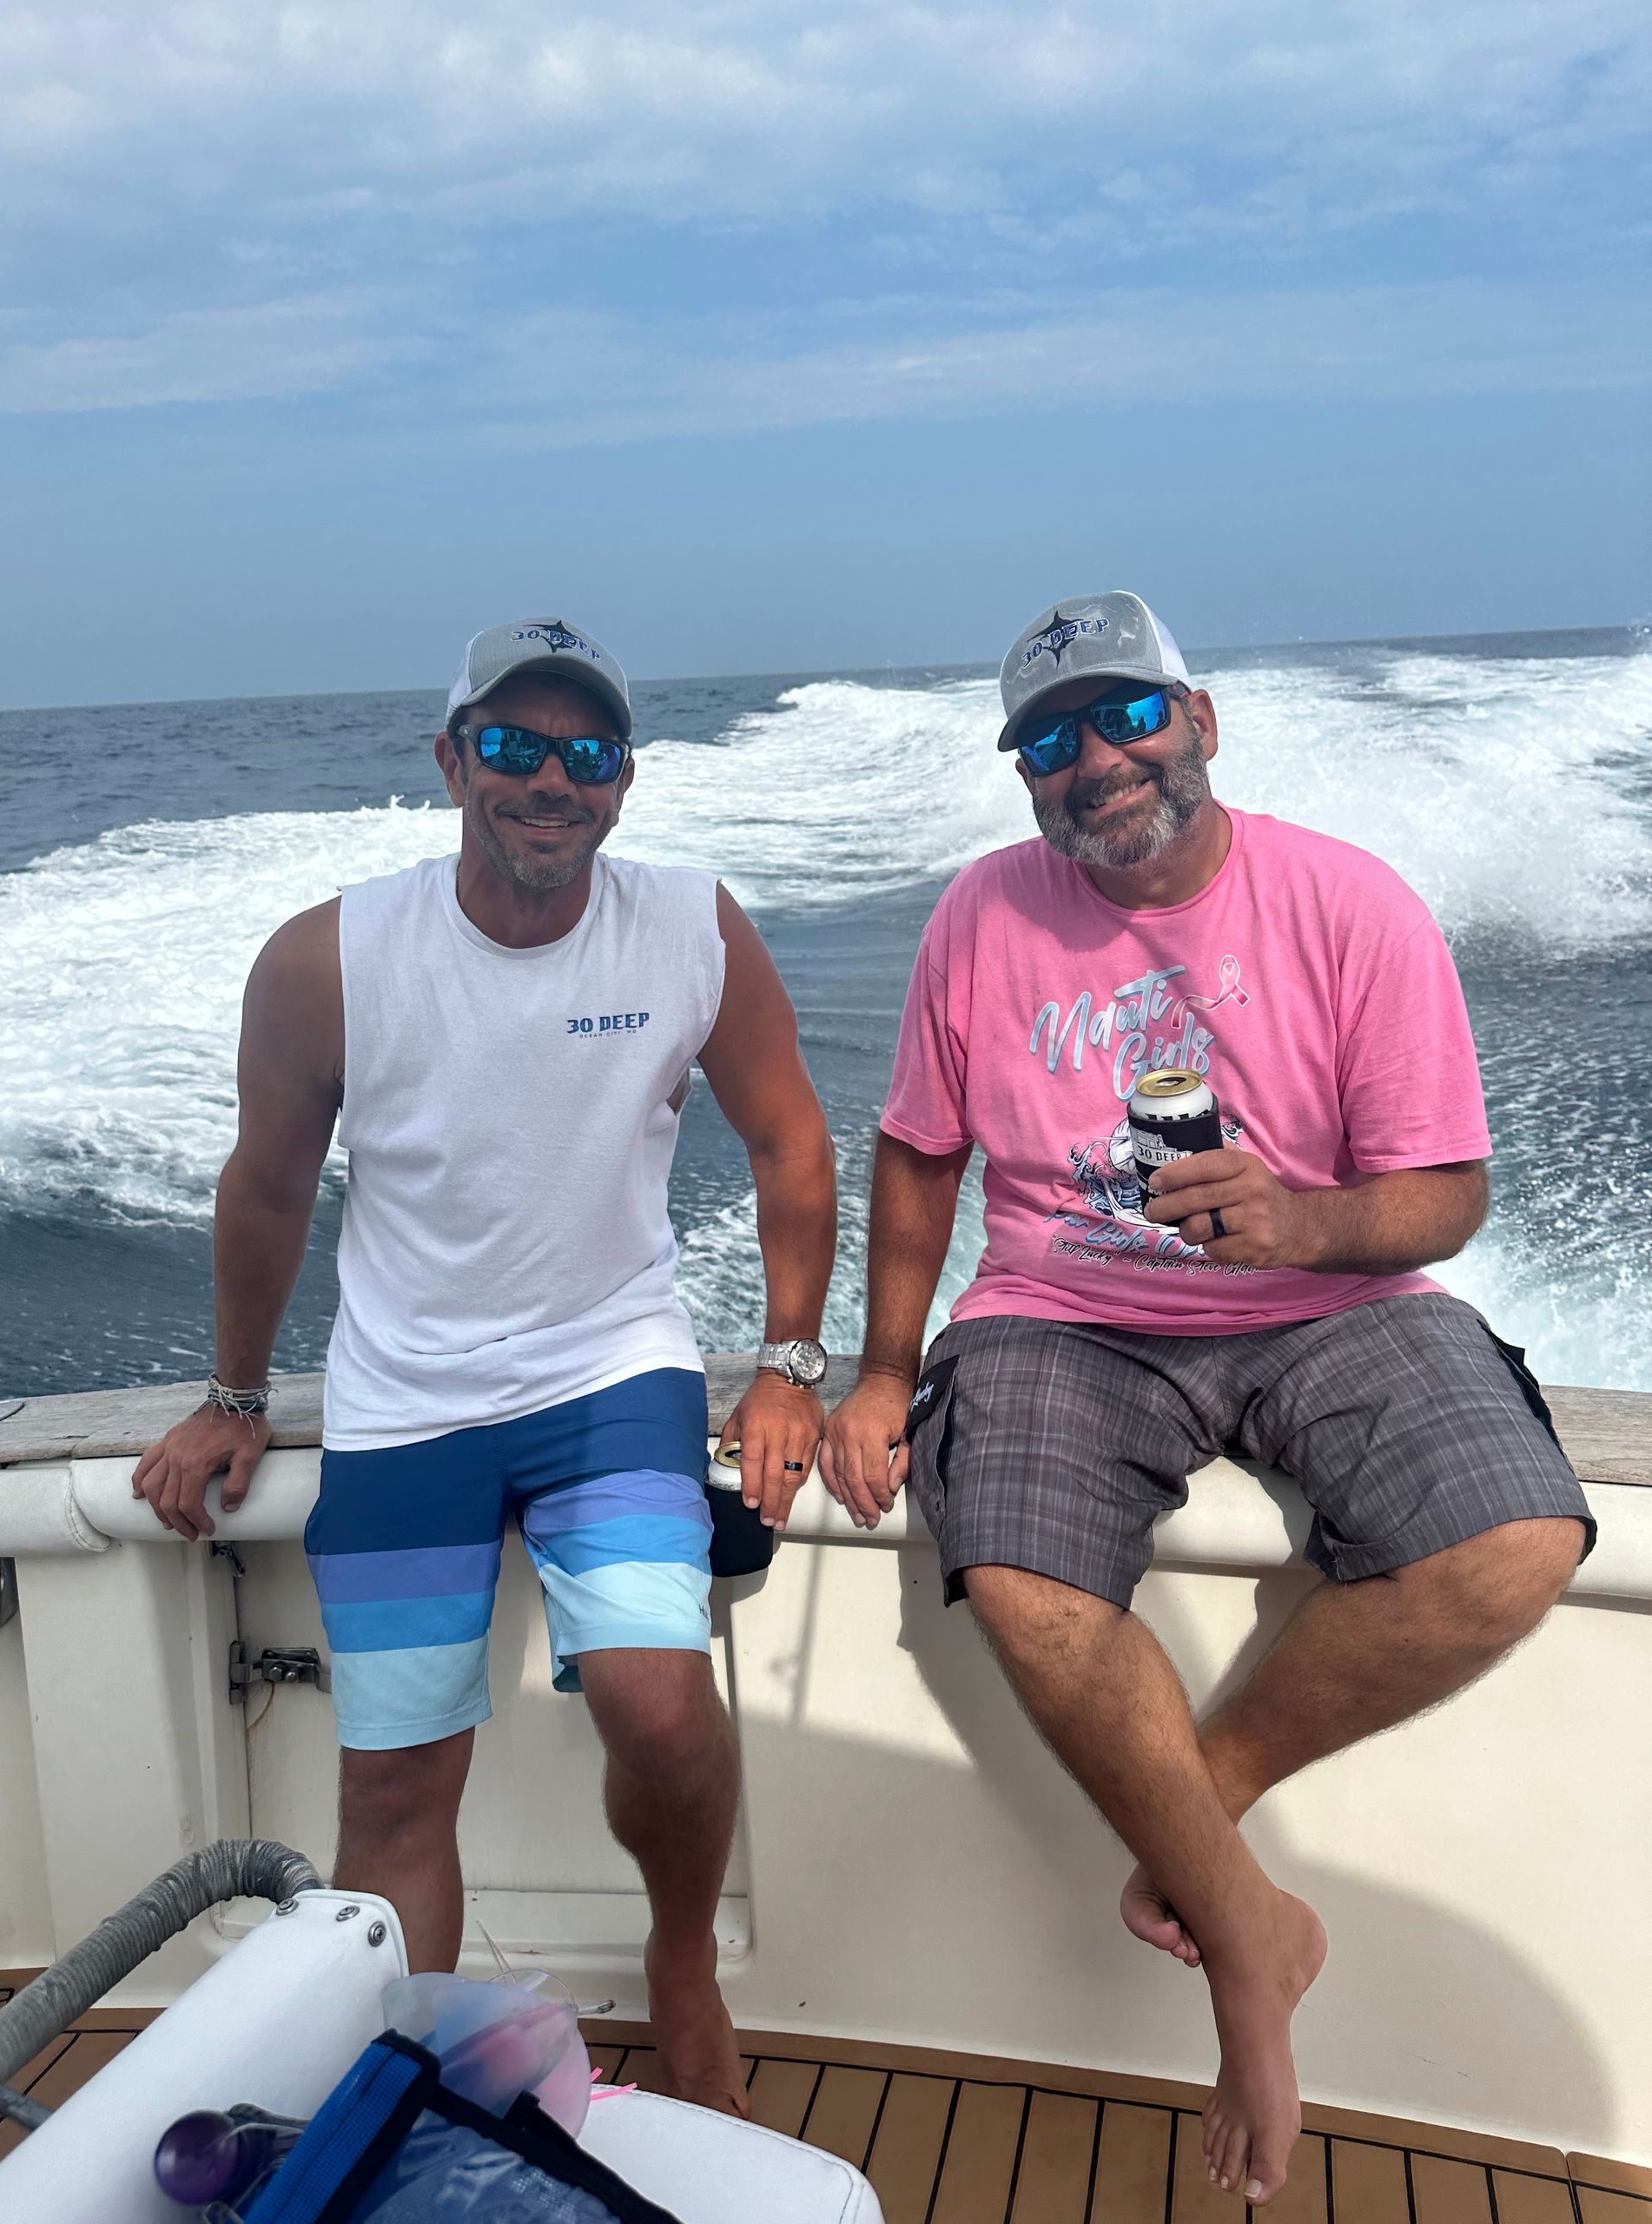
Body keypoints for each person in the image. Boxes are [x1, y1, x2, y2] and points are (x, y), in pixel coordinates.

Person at [819, 590, 1592, 2205]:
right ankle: (1250, 1935)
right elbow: (916, 1147)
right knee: (1019, 1581)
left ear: (1202, 720)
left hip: (1332, 1297)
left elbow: (1445, 1194)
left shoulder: (1352, 904)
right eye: (1047, 737)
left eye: (1127, 717)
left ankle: (1200, 1818)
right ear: (1022, 773)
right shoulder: (980, 916)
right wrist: (884, 1365)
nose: (1091, 760)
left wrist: (1306, 1221)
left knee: (1512, 1545)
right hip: (1063, 1311)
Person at [133, 615, 836, 2115]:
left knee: (656, 1699)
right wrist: (237, 1395)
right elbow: (264, 1186)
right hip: (408, 1403)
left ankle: (682, 1965)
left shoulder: (693, 927)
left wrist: (787, 1358)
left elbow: (789, 1135)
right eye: (511, 747)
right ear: (452, 760)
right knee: (391, 1787)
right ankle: (401, 2083)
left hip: (612, 1371)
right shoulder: (330, 958)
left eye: (584, 755)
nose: (548, 782)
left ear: (624, 783)